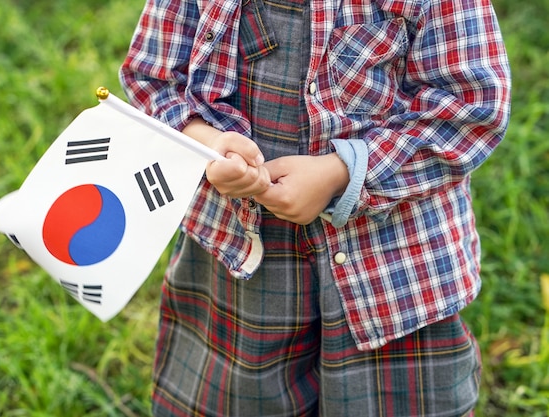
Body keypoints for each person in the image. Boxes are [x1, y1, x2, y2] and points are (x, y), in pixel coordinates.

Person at [120, 0, 511, 414]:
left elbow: (473, 110)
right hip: (237, 260)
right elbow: (152, 78)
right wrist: (207, 143)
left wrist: (339, 172)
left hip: (393, 272)